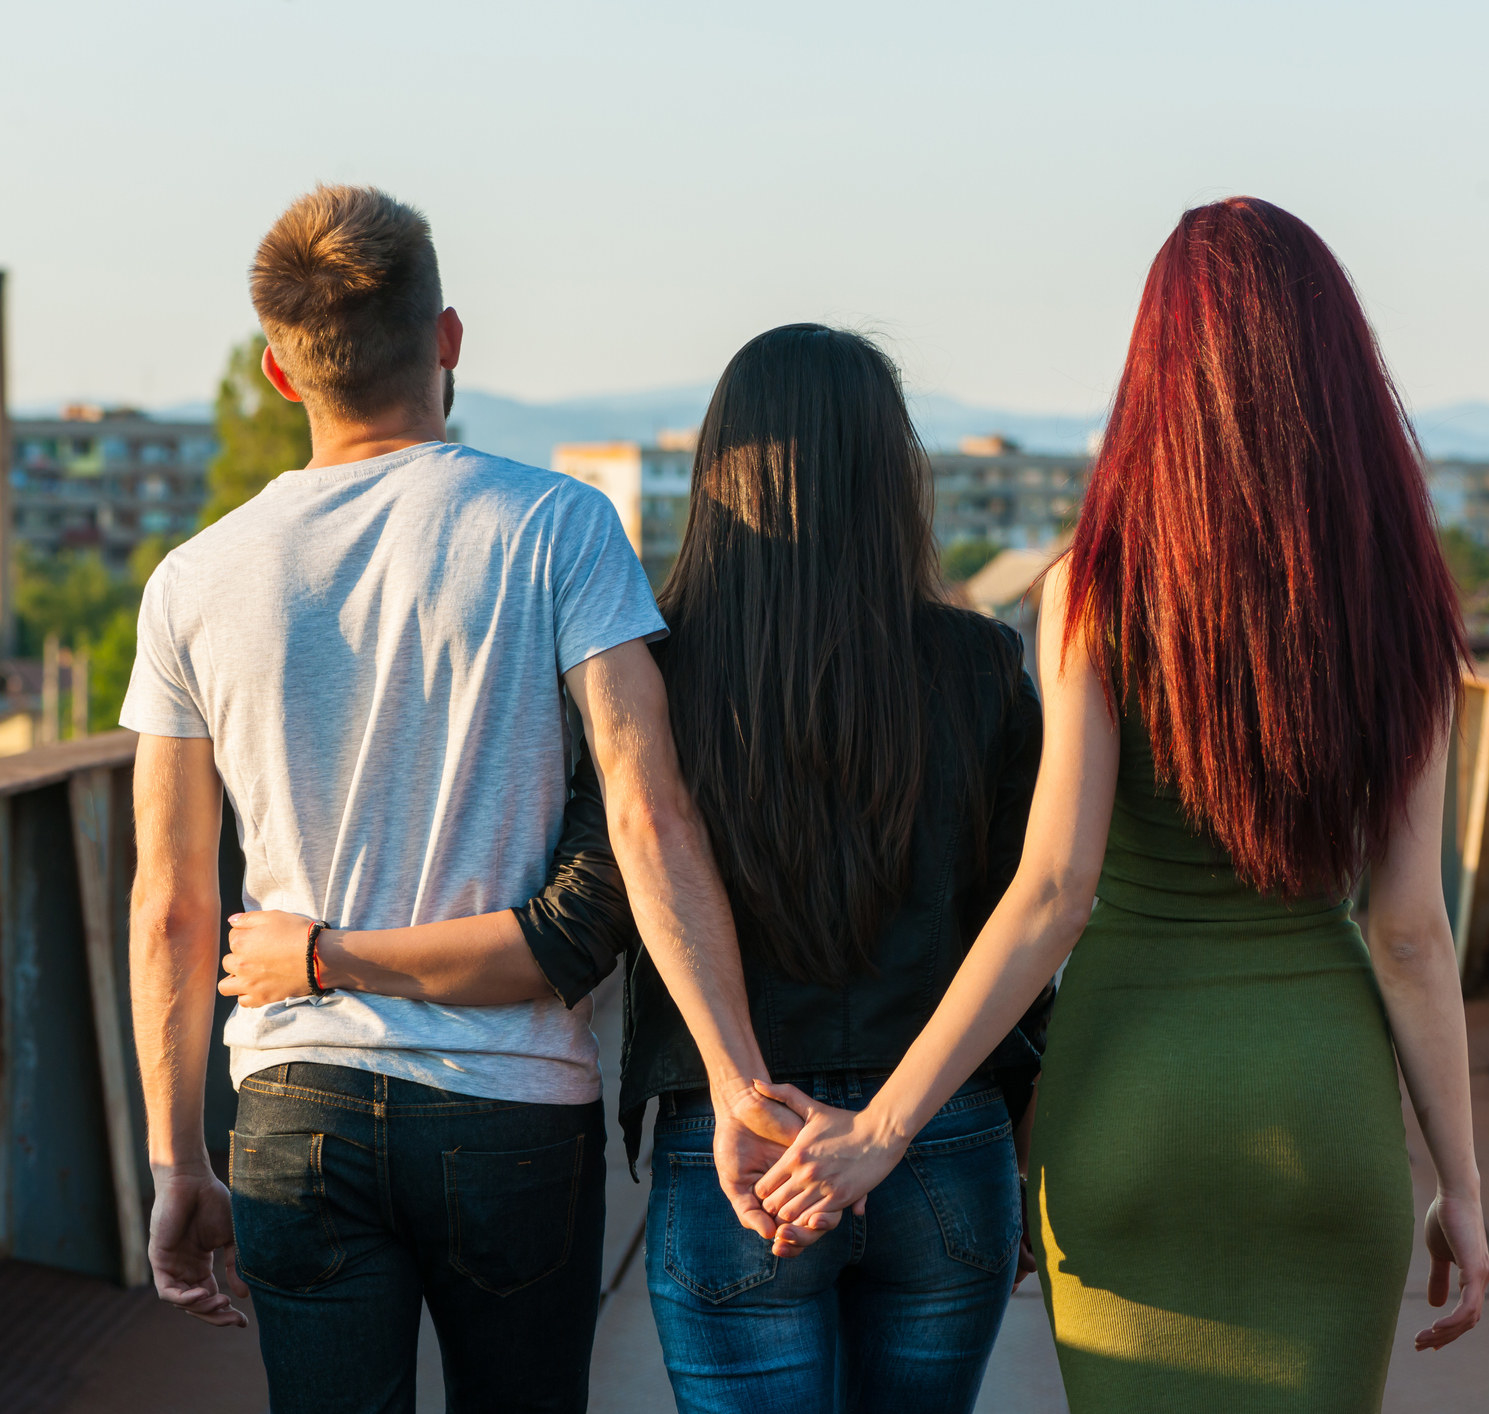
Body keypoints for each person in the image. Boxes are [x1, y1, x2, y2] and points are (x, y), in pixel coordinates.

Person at [218, 324, 1051, 1414]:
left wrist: (328, 957)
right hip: (938, 1140)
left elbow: (587, 919)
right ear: (896, 475)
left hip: (735, 1148)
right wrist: (1016, 1153)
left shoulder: (654, 672)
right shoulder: (983, 666)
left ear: (715, 479)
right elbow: (1024, 932)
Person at [748, 200, 1489, 1412]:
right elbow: (1410, 933)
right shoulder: (1404, 605)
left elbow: (1054, 892)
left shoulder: (1101, 586)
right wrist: (1461, 1184)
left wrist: (883, 1128)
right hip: (1324, 1118)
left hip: (1130, 1107)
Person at [123, 184, 796, 1414]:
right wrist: (738, 1078)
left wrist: (177, 1160)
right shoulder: (559, 529)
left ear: (281, 373)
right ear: (446, 338)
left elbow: (171, 901)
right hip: (513, 1115)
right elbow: (651, 818)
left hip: (294, 1104)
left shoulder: (192, 582)